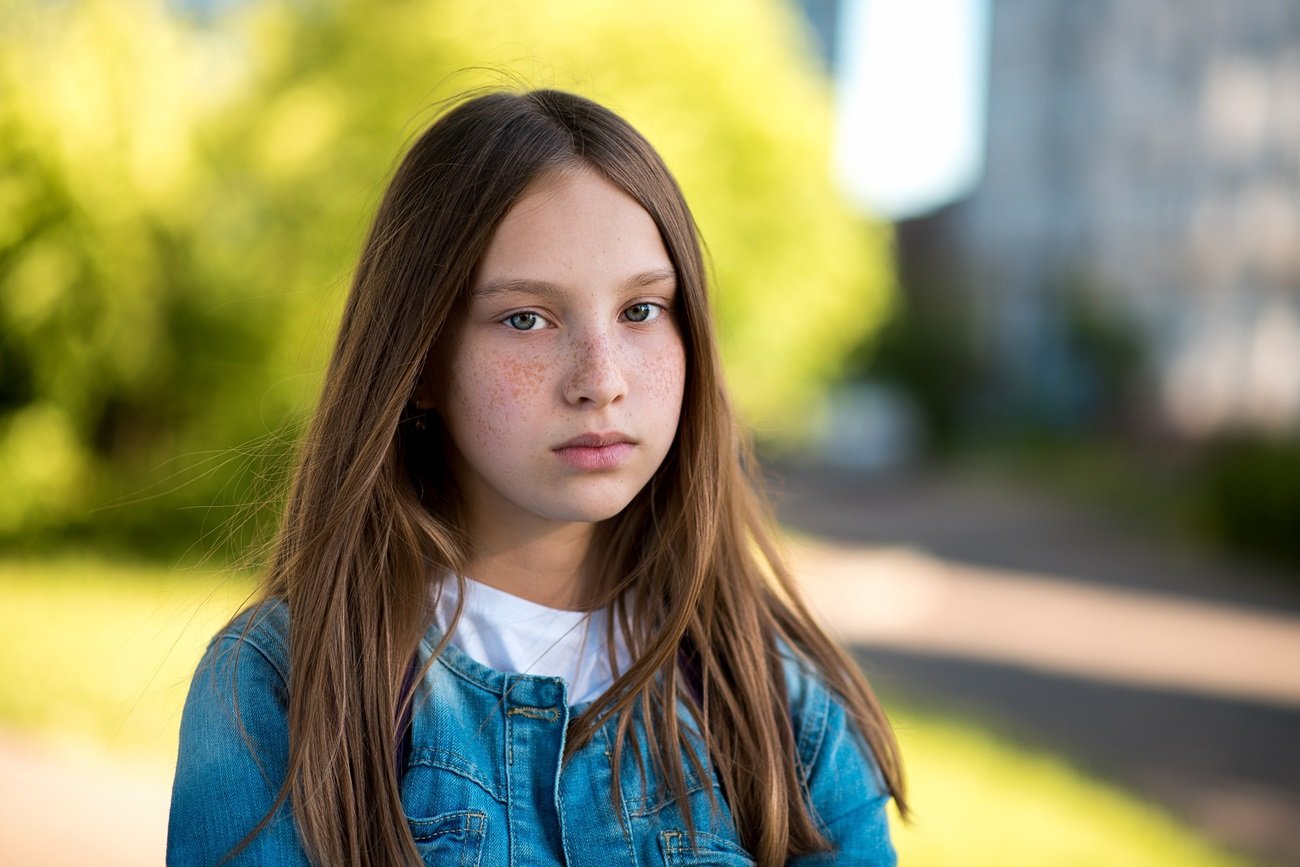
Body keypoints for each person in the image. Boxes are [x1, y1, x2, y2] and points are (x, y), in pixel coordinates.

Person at [167, 88, 906, 867]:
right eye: (526, 318)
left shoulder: (780, 707)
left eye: (641, 310)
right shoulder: (279, 687)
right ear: (419, 362)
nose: (601, 380)